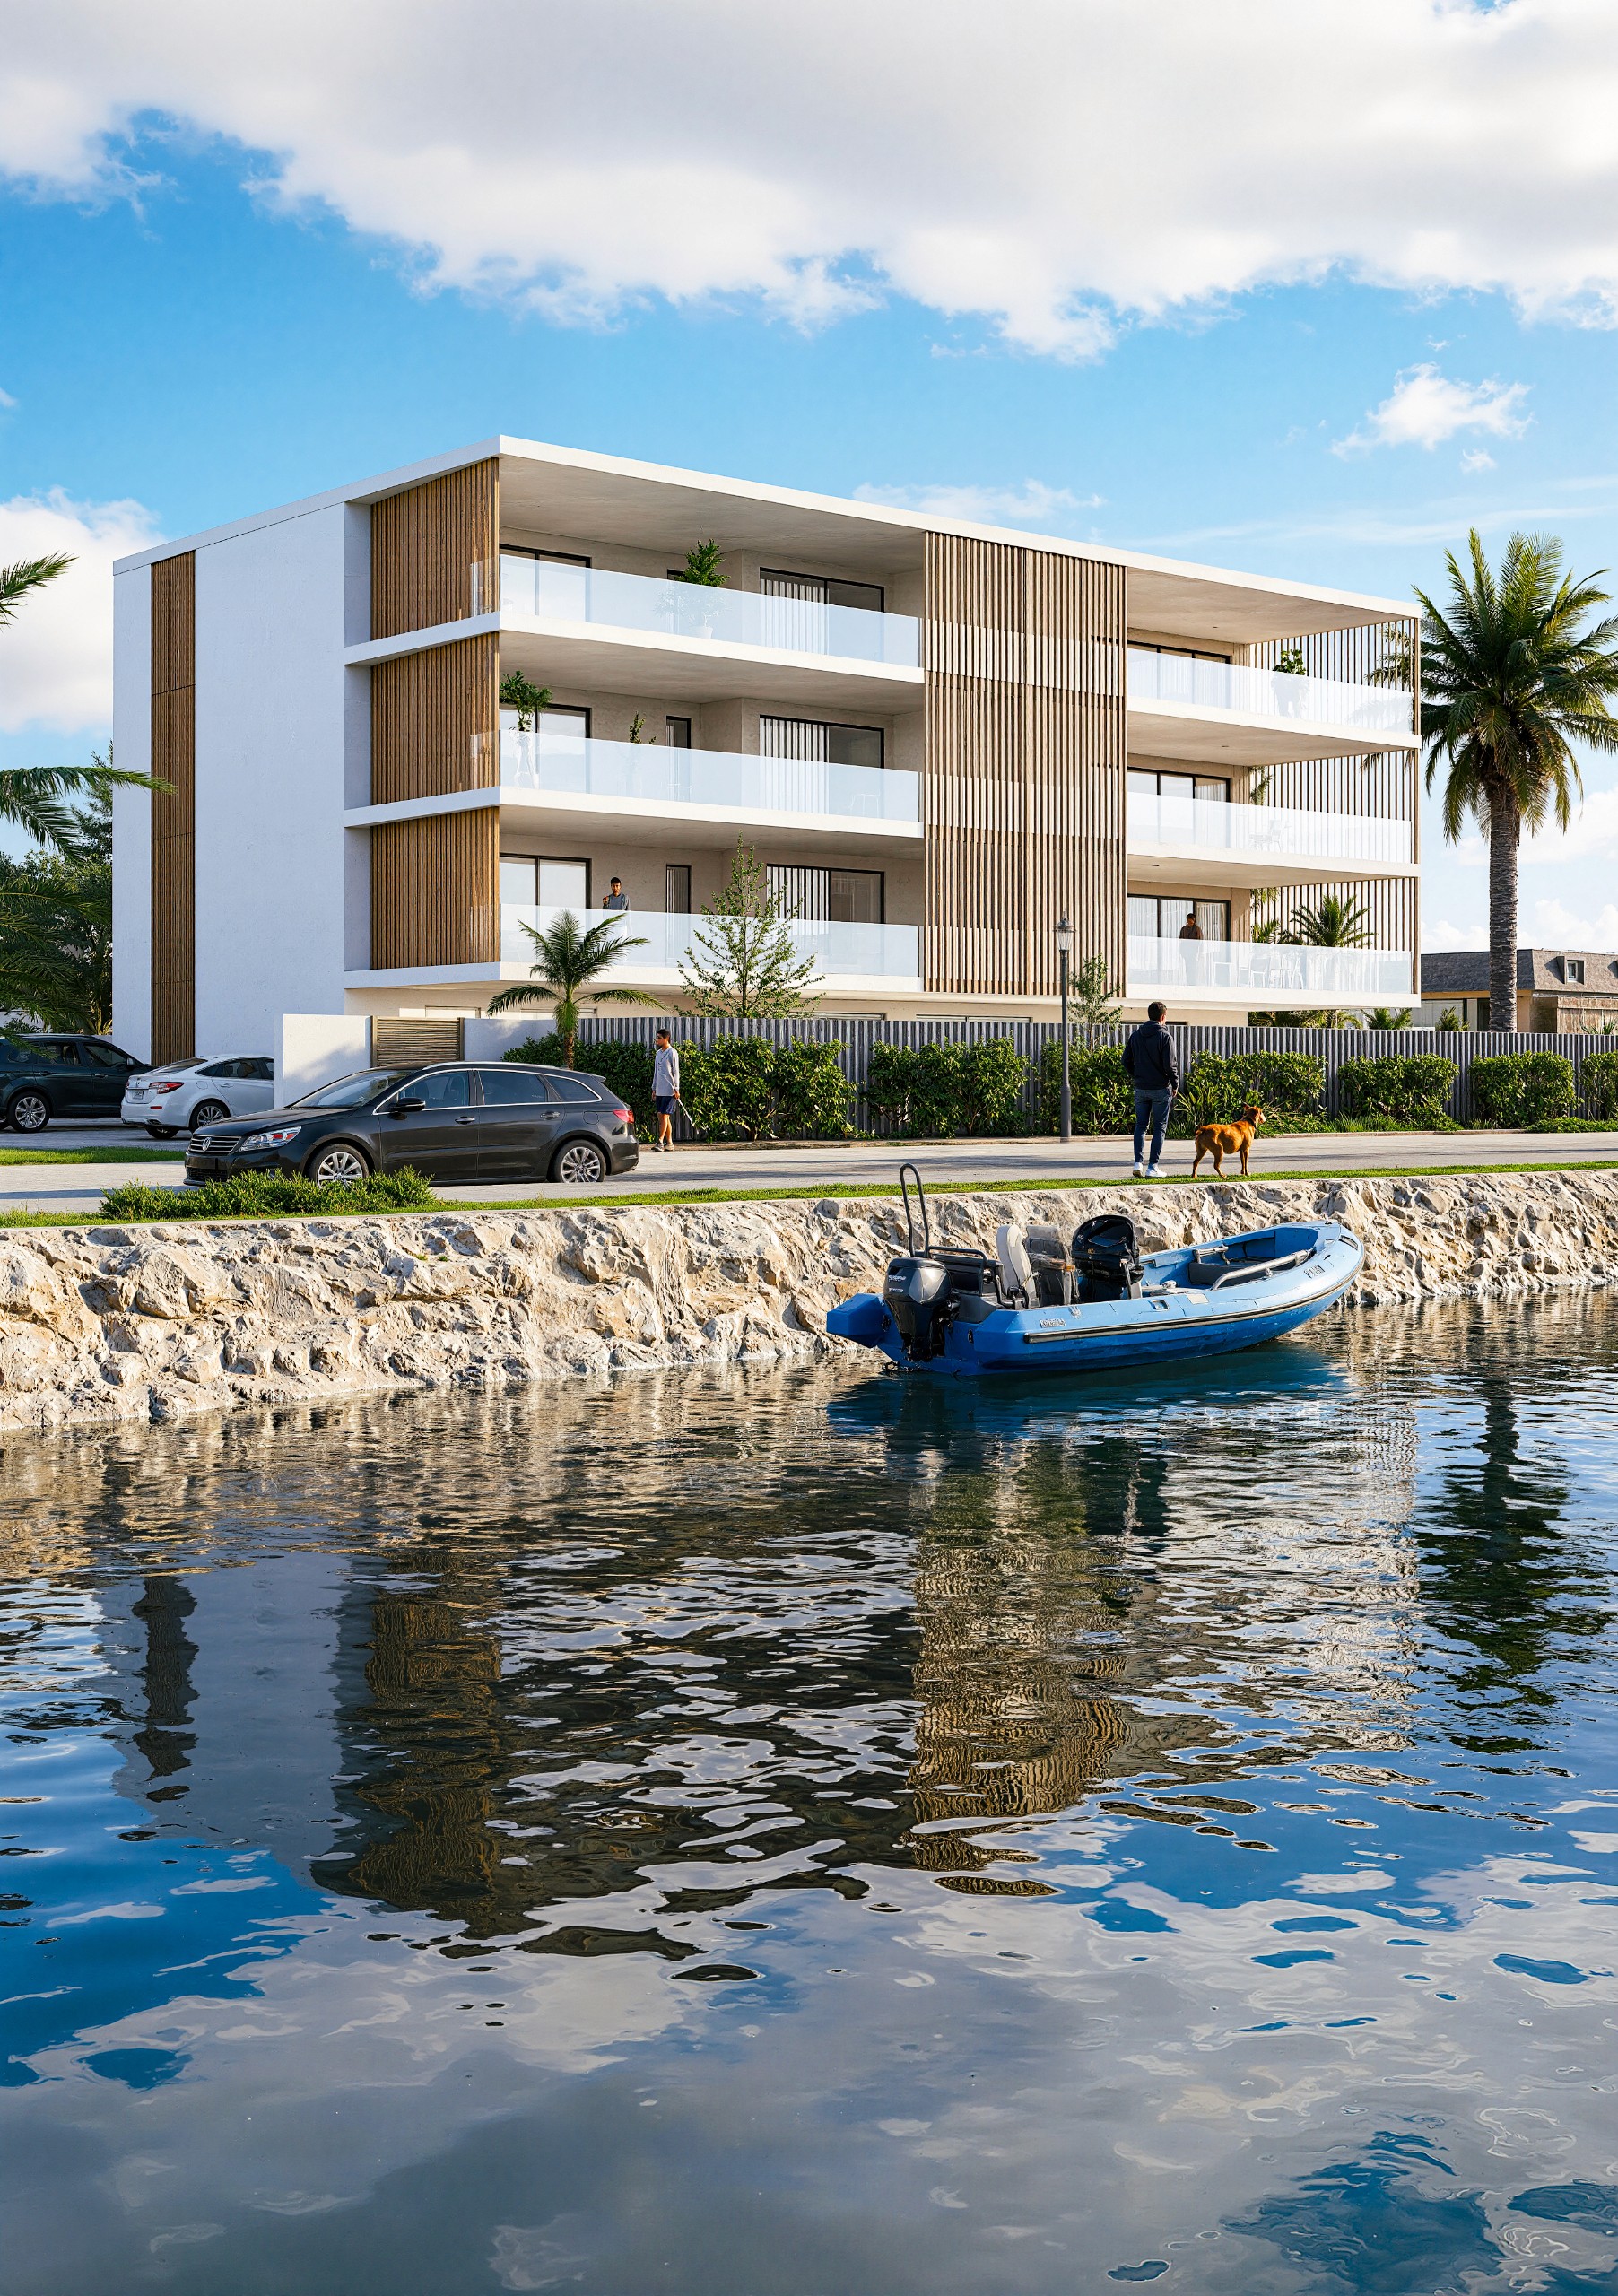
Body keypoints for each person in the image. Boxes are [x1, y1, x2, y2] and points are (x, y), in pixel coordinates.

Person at [1122, 1000, 1178, 1179]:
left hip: (1141, 1088)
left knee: (1141, 1126)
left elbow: (1125, 1060)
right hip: (1160, 1088)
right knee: (1159, 1128)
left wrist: (1137, 1075)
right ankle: (1152, 1167)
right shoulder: (1165, 1037)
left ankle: (1138, 1163)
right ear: (1163, 1017)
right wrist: (1175, 1084)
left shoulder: (1136, 1036)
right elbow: (1170, 1065)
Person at [651, 1026, 681, 1152]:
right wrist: (654, 1088)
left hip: (670, 1090)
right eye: (656, 1038)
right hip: (660, 1089)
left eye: (659, 1038)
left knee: (664, 1116)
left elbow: (676, 1071)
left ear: (666, 1038)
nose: (657, 1040)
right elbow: (656, 1072)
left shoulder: (672, 1052)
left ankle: (660, 1142)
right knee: (662, 1116)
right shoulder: (658, 1054)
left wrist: (676, 1088)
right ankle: (670, 1143)